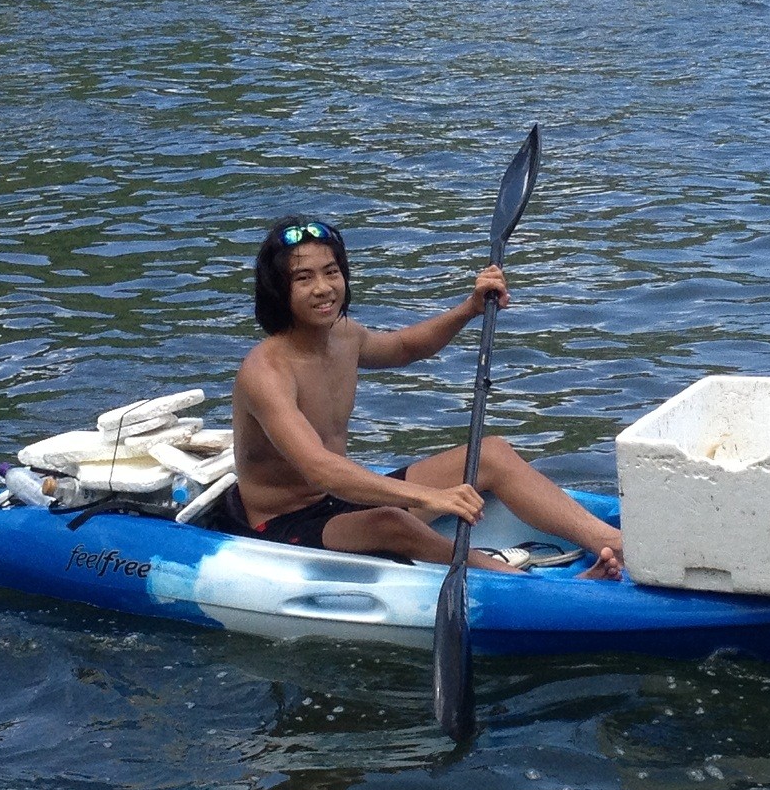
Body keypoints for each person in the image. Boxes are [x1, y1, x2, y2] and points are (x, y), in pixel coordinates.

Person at [223, 217, 624, 579]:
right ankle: (526, 586)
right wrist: (429, 497)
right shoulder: (267, 372)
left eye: (331, 272)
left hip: (338, 499)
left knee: (492, 454)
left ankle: (613, 543)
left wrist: (469, 308)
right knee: (393, 522)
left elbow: (404, 347)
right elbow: (321, 470)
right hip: (284, 523)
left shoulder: (345, 336)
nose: (323, 288)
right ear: (279, 290)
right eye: (303, 279)